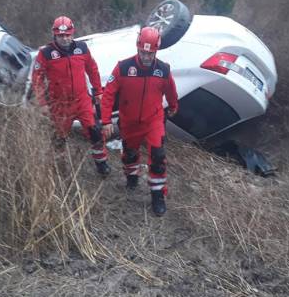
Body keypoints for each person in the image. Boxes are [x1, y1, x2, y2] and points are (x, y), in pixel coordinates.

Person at [101, 27, 179, 216]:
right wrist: (105, 121)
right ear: (137, 48)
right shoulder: (123, 68)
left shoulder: (163, 70)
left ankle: (158, 195)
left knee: (158, 156)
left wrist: (174, 106)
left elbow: (171, 92)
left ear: (156, 51)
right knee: (129, 154)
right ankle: (132, 177)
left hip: (153, 120)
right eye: (143, 52)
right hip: (129, 121)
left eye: (150, 53)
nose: (146, 56)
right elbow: (109, 94)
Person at [32, 15, 110, 175]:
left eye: (67, 35)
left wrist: (98, 91)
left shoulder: (81, 48)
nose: (65, 39)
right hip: (60, 104)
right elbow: (37, 79)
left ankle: (102, 164)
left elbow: (92, 69)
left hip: (82, 100)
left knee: (95, 132)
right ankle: (60, 169)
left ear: (72, 34)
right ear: (55, 35)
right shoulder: (46, 53)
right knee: (59, 138)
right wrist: (43, 103)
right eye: (61, 36)